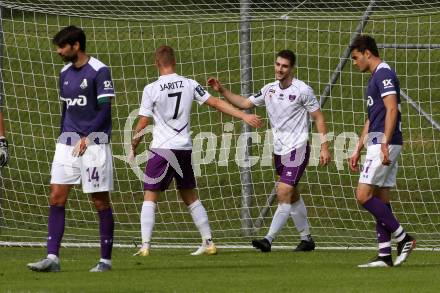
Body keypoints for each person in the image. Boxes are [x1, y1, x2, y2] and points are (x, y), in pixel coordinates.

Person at [131, 45, 262, 257]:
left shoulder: (151, 88)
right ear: (174, 62)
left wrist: (134, 143)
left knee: (150, 197)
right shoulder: (189, 84)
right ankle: (208, 242)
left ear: (157, 63)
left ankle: (145, 245)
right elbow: (216, 103)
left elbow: (143, 121)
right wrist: (244, 116)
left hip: (162, 150)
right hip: (183, 149)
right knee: (190, 196)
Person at [208, 49, 331, 252]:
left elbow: (318, 117)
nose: (279, 69)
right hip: (279, 151)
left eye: (284, 66)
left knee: (283, 190)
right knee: (292, 194)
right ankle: (307, 239)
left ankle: (268, 239)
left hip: (298, 148)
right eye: (277, 64)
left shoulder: (303, 90)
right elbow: (245, 103)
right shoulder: (269, 90)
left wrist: (324, 146)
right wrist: (222, 90)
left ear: (292, 68)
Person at [27, 25, 115, 272]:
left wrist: (89, 136)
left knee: (99, 201)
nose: (58, 51)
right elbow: (66, 109)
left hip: (95, 144)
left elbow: (105, 108)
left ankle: (105, 261)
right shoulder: (64, 72)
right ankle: (52, 258)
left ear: (76, 46)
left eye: (62, 46)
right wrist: (62, 136)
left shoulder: (100, 71)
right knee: (56, 197)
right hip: (66, 143)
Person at [349, 35, 416, 268]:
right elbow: (371, 118)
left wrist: (385, 143)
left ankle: (403, 237)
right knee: (380, 198)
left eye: (356, 57)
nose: (355, 62)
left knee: (363, 196)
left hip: (384, 142)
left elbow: (391, 110)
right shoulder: (374, 78)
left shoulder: (384, 73)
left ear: (367, 53)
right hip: (379, 141)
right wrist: (358, 148)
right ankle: (385, 255)